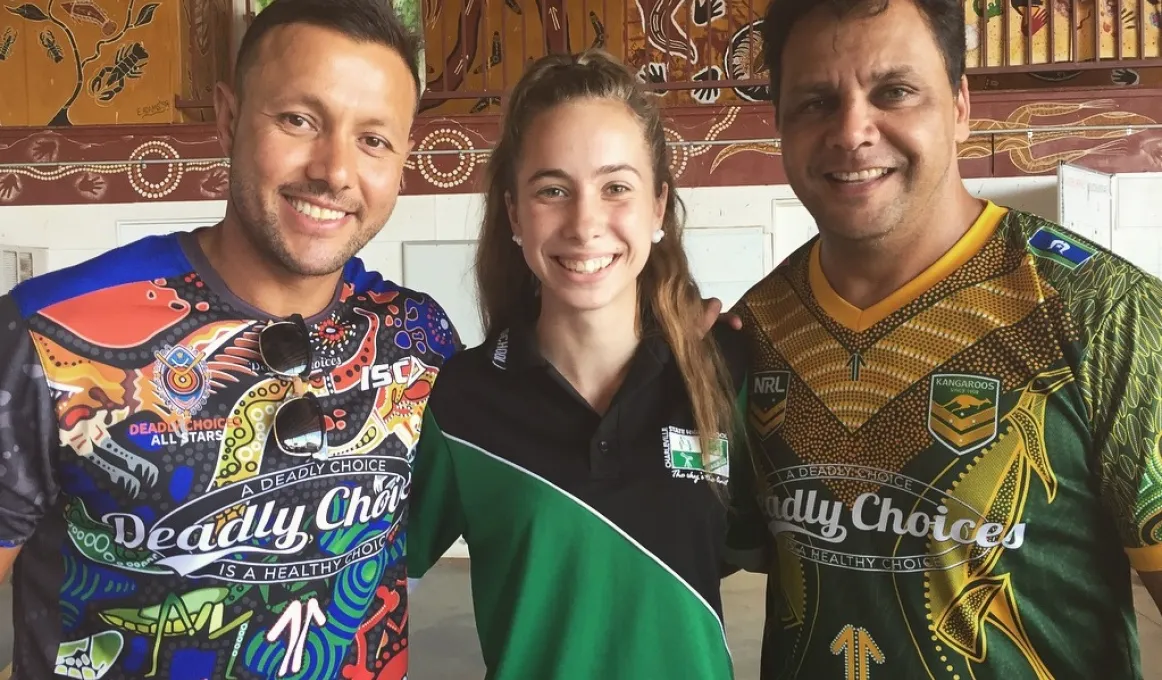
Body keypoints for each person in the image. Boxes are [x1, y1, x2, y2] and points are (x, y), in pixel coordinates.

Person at [0, 1, 461, 678]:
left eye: (373, 139)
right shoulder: (53, 334)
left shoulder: (418, 341)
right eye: (299, 120)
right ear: (228, 117)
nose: (334, 171)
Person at [727, 0, 1162, 677]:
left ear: (960, 106)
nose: (851, 131)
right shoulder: (755, 329)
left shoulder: (1101, 313)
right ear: (778, 122)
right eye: (814, 102)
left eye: (894, 92)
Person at [405, 49, 764, 679]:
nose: (585, 222)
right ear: (515, 213)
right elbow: (365, 580)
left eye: (616, 187)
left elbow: (772, 553)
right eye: (552, 190)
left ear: (657, 208)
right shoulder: (460, 402)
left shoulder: (725, 371)